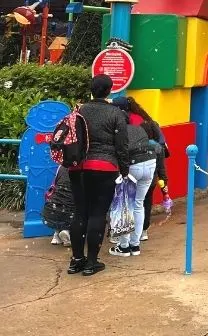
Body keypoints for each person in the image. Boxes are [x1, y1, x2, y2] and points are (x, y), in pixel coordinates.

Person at [68, 74, 129, 276]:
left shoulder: (80, 111)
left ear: (91, 90)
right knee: (97, 213)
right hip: (105, 168)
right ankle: (92, 262)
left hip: (78, 168)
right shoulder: (115, 114)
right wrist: (124, 169)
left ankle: (76, 260)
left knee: (80, 212)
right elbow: (122, 146)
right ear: (109, 91)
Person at [109, 120, 156, 257]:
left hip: (133, 165)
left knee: (125, 206)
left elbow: (120, 152)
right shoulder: (138, 128)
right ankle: (135, 245)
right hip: (150, 163)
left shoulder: (118, 132)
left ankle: (123, 247)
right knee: (138, 204)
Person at [44, 166, 73, 247]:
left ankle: (56, 235)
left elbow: (55, 182)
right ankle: (66, 231)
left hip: (55, 201)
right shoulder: (79, 167)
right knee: (73, 210)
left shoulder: (61, 167)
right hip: (70, 203)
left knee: (58, 212)